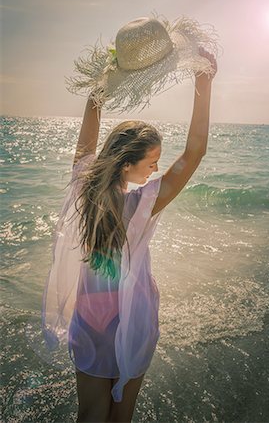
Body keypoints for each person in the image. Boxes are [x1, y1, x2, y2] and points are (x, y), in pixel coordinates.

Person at [68, 46, 217, 422]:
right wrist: (204, 80)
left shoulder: (84, 189)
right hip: (132, 321)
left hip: (88, 322)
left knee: (90, 414)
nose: (154, 170)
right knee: (121, 416)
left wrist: (97, 89)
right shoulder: (143, 205)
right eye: (151, 163)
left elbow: (88, 140)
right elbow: (194, 153)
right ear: (127, 163)